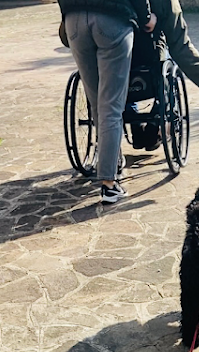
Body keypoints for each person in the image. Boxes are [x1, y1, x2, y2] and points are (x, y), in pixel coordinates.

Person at [58, 0, 157, 203]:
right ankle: (109, 184)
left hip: (74, 18)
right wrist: (146, 17)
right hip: (112, 18)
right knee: (111, 106)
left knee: (96, 102)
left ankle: (112, 160)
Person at [131, 0, 199, 150]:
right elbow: (182, 51)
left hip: (112, 57)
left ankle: (133, 124)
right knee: (168, 61)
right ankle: (155, 123)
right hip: (149, 59)